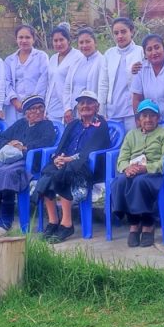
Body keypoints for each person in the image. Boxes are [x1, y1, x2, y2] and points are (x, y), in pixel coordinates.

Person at [31, 89, 111, 244]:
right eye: (82, 103)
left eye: (89, 103)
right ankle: (54, 221)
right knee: (48, 171)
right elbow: (61, 146)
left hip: (89, 166)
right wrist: (57, 158)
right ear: (77, 107)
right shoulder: (73, 124)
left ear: (97, 106)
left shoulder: (101, 125)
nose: (85, 106)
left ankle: (67, 223)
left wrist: (69, 160)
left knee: (65, 173)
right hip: (67, 163)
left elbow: (91, 150)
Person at [0, 94, 56, 239]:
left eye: (41, 108)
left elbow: (47, 142)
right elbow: (0, 138)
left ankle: (6, 221)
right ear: (26, 112)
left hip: (30, 163)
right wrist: (9, 143)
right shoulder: (20, 124)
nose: (38, 111)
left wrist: (24, 147)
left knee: (9, 175)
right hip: (10, 161)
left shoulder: (47, 125)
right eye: (33, 109)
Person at [111, 99, 164, 248]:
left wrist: (146, 168)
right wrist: (128, 168)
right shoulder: (131, 135)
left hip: (155, 174)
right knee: (119, 182)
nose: (148, 119)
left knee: (140, 182)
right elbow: (121, 159)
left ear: (158, 118)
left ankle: (148, 223)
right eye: (144, 115)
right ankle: (133, 224)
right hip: (133, 171)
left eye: (152, 115)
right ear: (138, 119)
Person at [98, 17, 144, 133]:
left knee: (133, 145)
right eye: (116, 33)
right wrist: (101, 111)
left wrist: (135, 71)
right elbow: (103, 84)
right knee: (114, 146)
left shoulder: (140, 52)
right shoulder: (109, 54)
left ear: (131, 31)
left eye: (123, 32)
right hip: (113, 110)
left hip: (132, 110)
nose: (120, 36)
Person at [3, 24, 49, 126]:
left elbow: (43, 80)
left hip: (36, 106)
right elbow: (6, 82)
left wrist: (32, 104)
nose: (24, 40)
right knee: (15, 134)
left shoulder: (41, 57)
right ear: (16, 39)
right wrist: (15, 101)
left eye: (27, 37)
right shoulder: (9, 60)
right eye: (21, 37)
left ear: (33, 39)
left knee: (34, 133)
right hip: (16, 107)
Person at [63, 28, 105, 124]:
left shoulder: (102, 61)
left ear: (95, 43)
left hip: (91, 112)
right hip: (74, 111)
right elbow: (67, 87)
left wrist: (99, 111)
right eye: (81, 42)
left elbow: (103, 90)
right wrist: (67, 108)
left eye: (88, 42)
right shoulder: (76, 62)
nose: (84, 45)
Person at [45, 24, 80, 125]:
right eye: (55, 41)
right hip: (51, 107)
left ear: (68, 40)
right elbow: (49, 84)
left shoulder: (77, 57)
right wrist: (45, 108)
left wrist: (69, 108)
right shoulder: (53, 58)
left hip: (68, 108)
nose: (58, 43)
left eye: (61, 40)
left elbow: (76, 85)